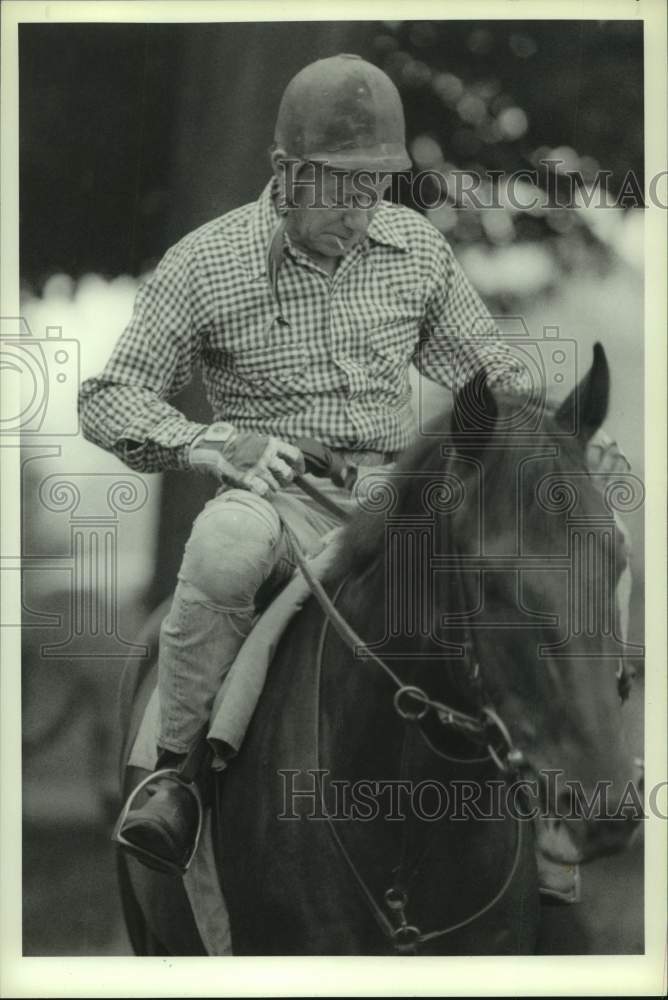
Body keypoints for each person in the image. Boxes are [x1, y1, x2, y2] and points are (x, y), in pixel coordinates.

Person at [79, 54, 630, 876]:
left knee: (577, 538)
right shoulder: (203, 262)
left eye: (376, 185)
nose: (361, 206)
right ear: (286, 172)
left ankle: (562, 781)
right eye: (340, 185)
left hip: (397, 494)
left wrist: (558, 443)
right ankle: (177, 779)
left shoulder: (415, 250)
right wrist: (217, 443)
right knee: (221, 552)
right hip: (272, 495)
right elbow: (106, 398)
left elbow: (494, 370)